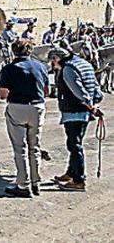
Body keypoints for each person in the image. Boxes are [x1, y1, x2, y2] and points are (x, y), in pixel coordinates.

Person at [48, 47, 104, 192]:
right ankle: (71, 173)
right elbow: (96, 89)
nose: (52, 63)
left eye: (52, 60)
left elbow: (78, 90)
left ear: (58, 58)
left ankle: (79, 180)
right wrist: (94, 103)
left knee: (74, 145)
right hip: (83, 111)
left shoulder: (68, 69)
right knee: (73, 142)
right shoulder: (84, 64)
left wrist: (90, 106)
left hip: (75, 111)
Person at [0, 39, 48, 198]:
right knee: (35, 147)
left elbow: (2, 94)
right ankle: (36, 182)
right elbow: (46, 90)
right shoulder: (41, 66)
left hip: (18, 107)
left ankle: (23, 184)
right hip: (37, 107)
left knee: (20, 148)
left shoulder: (9, 69)